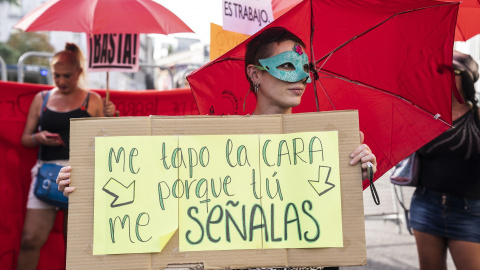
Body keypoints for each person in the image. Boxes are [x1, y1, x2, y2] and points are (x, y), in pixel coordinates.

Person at [56, 27, 377, 269]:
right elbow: (156, 189)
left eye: (306, 68)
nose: (302, 78)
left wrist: (356, 169)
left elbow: (327, 207)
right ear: (255, 74)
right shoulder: (218, 144)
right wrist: (88, 182)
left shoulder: (322, 144)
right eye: (288, 66)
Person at [17, 42, 115, 270]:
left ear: (79, 72)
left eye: (67, 76)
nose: (61, 81)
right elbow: (24, 138)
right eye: (56, 75)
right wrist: (38, 138)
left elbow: (107, 140)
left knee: (78, 248)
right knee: (30, 240)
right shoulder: (41, 99)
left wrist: (111, 116)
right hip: (46, 174)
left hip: (79, 176)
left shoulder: (93, 100)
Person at [409, 50, 480, 270]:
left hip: (469, 210)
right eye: (439, 72)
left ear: (466, 78)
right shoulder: (425, 115)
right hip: (426, 204)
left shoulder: (477, 115)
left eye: (452, 72)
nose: (443, 77)